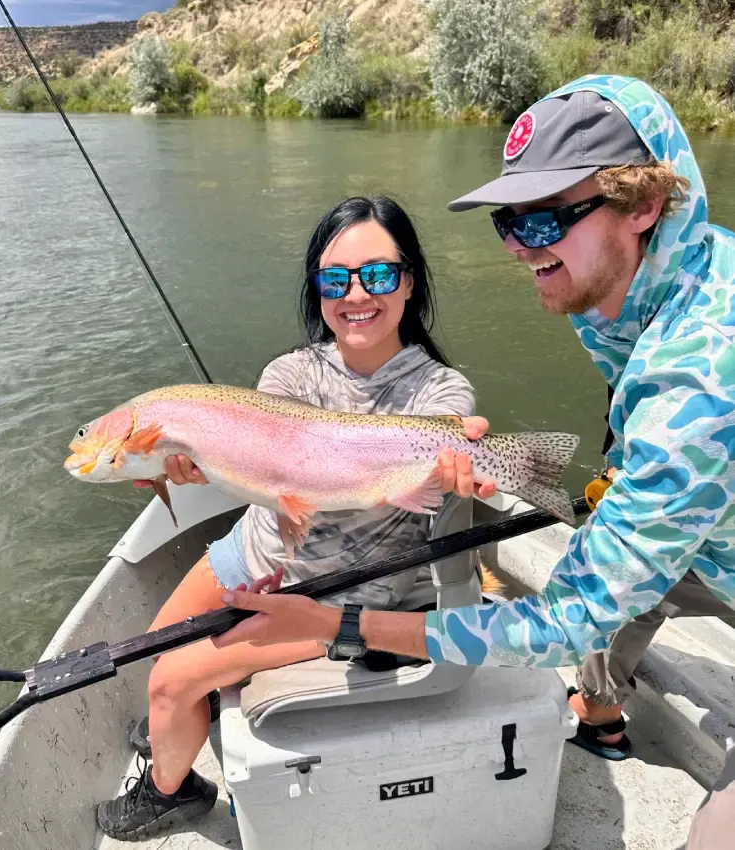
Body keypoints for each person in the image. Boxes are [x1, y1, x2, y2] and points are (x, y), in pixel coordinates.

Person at [214, 76, 735, 848]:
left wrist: (331, 622)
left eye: (549, 217)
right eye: (512, 221)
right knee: (615, 561)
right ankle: (599, 706)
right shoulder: (661, 281)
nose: (525, 247)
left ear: (643, 203)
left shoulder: (696, 384)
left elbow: (565, 620)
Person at [95, 195, 494, 840]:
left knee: (170, 683)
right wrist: (192, 462)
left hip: (345, 588)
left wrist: (462, 466)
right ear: (318, 289)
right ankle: (188, 716)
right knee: (154, 643)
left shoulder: (439, 392)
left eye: (379, 275)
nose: (356, 294)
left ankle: (173, 794)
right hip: (262, 549)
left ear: (410, 281)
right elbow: (272, 482)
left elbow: (455, 436)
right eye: (335, 279)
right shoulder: (287, 373)